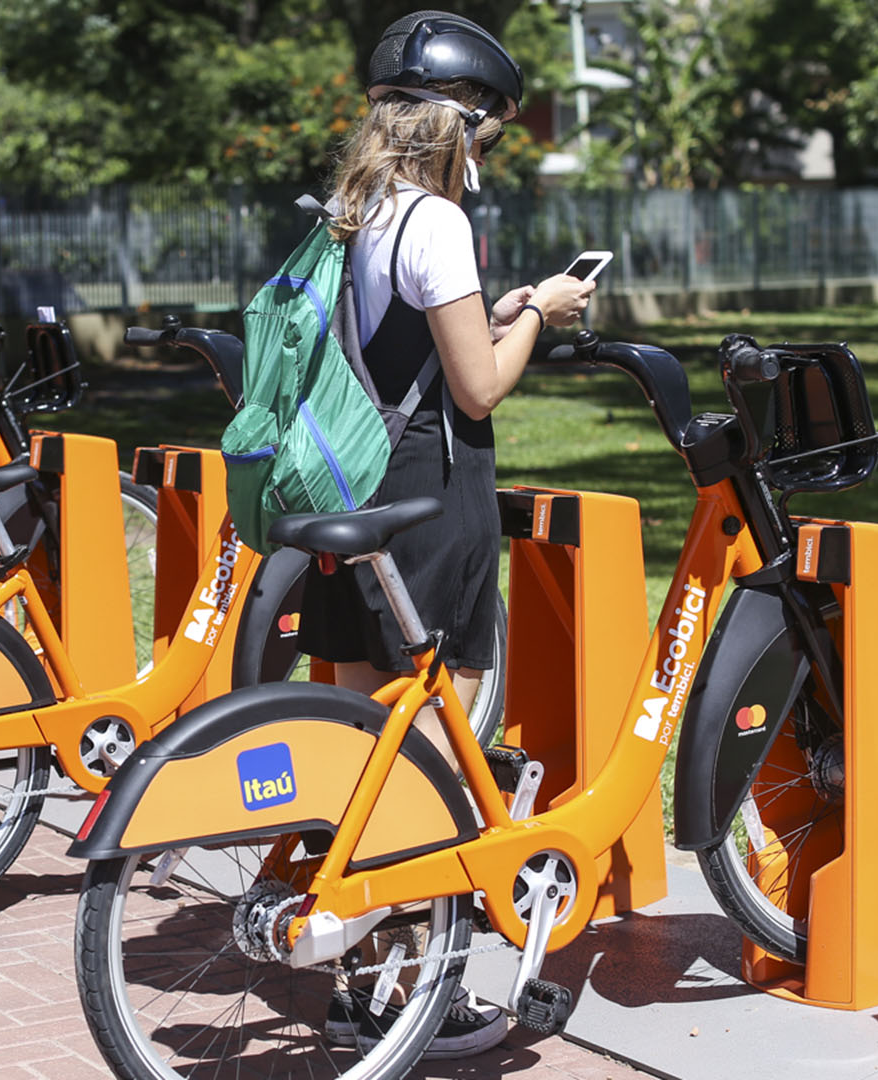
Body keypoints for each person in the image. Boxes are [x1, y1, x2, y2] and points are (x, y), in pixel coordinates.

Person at [301, 9, 595, 1061]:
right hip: (430, 489)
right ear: (460, 128)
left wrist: (495, 302)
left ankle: (358, 980)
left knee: (355, 746)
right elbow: (476, 383)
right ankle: (415, 988)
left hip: (351, 482)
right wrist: (540, 313)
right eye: (494, 134)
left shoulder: (355, 212)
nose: (494, 154)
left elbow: (397, 340)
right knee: (429, 744)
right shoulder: (435, 222)